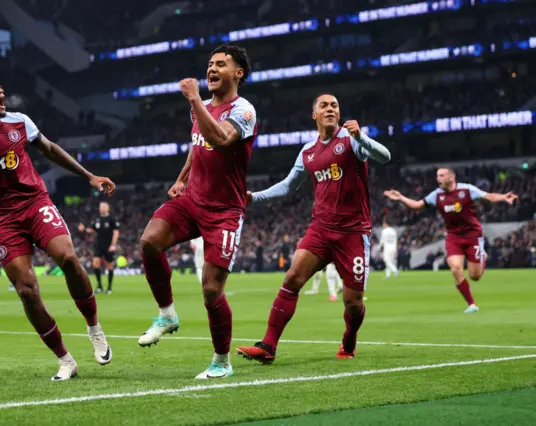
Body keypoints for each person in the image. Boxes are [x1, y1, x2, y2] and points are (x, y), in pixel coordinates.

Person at [0, 71, 115, 381]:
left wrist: (89, 176)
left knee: (68, 257)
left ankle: (94, 327)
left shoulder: (19, 122)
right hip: (2, 219)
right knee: (27, 291)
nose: (1, 90)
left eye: (0, 85)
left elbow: (51, 149)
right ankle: (65, 360)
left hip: (35, 204)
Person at [236, 92, 391, 364]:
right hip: (320, 230)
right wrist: (254, 197)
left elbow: (385, 156)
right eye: (324, 105)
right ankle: (268, 346)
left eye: (335, 105)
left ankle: (350, 338)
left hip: (353, 233)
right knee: (292, 278)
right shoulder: (308, 151)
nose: (330, 109)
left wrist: (361, 137)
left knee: (353, 301)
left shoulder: (351, 141)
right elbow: (287, 186)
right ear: (315, 114)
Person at [137, 44, 256, 379]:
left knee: (211, 289)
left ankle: (221, 361)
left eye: (221, 64)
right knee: (149, 241)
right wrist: (180, 179)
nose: (212, 69)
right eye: (210, 64)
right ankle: (167, 314)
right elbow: (198, 146)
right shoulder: (202, 108)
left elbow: (219, 138)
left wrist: (191, 99)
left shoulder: (244, 111)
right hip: (192, 200)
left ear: (238, 73)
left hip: (224, 212)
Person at [384, 168, 518, 313]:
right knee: (455, 268)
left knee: (475, 276)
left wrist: (504, 197)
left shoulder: (467, 190)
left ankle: (482, 257)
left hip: (472, 235)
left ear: (451, 177)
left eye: (441, 176)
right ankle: (472, 304)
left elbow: (489, 197)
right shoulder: (437, 194)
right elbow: (417, 206)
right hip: (454, 237)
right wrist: (401, 198)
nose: (438, 179)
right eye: (437, 176)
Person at [78, 201, 120, 294]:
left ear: (108, 208)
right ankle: (100, 286)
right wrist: (84, 229)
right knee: (95, 264)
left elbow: (116, 232)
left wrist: (113, 245)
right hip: (98, 244)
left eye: (104, 206)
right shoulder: (97, 218)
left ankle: (109, 287)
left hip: (108, 245)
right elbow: (92, 230)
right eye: (101, 206)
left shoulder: (112, 218)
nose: (102, 208)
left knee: (109, 265)